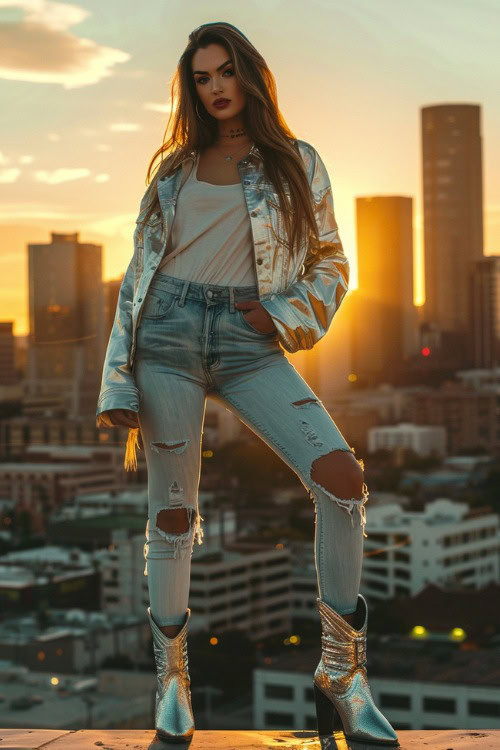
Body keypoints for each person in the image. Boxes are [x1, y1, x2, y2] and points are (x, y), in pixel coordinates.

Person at [95, 21, 399, 748]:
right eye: (201, 78)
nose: (216, 87)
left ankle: (343, 671)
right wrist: (117, 381)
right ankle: (173, 682)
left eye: (225, 71)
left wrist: (284, 315)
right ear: (191, 89)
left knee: (342, 478)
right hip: (164, 338)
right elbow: (138, 278)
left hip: (249, 337)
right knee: (173, 513)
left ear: (250, 74)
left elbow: (332, 262)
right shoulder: (172, 170)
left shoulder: (297, 161)